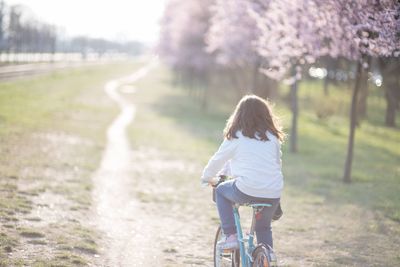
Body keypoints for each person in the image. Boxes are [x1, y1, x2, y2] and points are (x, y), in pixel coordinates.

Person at [201, 94, 285, 250]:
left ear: (239, 114)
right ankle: (267, 255)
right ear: (266, 115)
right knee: (263, 228)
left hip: (246, 188)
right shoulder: (273, 137)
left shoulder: (236, 136)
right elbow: (276, 163)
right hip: (273, 191)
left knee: (220, 191)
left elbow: (218, 159)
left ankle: (231, 235)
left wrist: (206, 177)